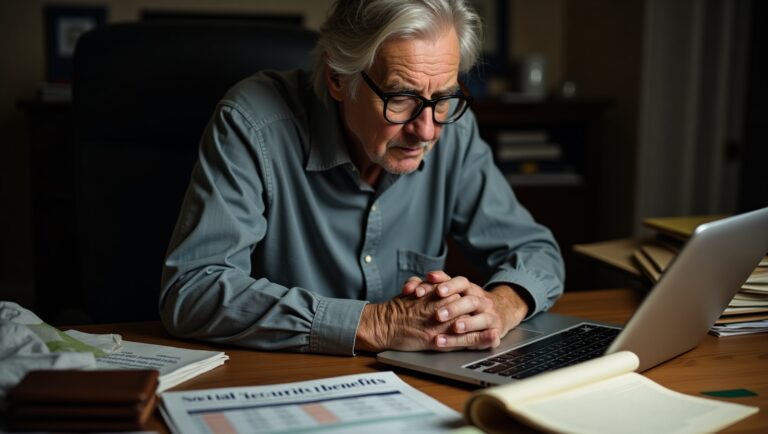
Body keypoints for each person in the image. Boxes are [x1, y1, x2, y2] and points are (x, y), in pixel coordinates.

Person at [159, 0, 564, 356]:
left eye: (443, 98)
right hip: (278, 376)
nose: (426, 131)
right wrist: (377, 324)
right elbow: (193, 290)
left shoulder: (453, 131)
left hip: (410, 382)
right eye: (400, 98)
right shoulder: (253, 124)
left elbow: (536, 250)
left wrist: (501, 306)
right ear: (338, 77)